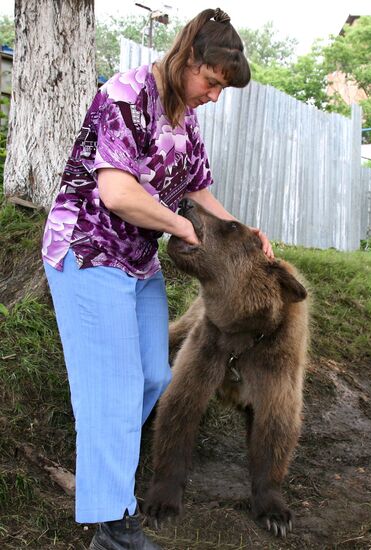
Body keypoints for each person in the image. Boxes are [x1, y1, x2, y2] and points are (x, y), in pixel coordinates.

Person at [42, 7, 274, 550]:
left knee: (152, 377)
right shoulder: (126, 96)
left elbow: (198, 190)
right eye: (212, 82)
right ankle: (114, 528)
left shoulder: (184, 115)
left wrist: (241, 231)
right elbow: (118, 193)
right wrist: (180, 229)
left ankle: (107, 473)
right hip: (86, 250)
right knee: (113, 391)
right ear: (188, 57)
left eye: (223, 90)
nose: (215, 95)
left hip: (136, 259)